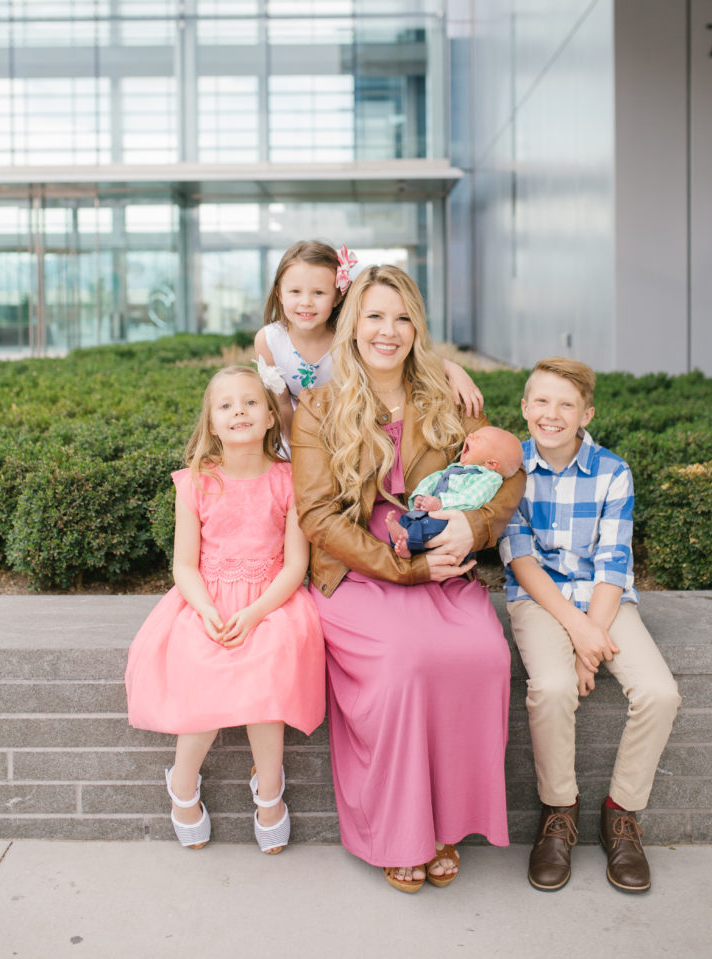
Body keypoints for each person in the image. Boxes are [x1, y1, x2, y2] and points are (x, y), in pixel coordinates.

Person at [290, 264, 526, 893]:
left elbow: (509, 472)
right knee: (402, 664)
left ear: (417, 327)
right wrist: (405, 567)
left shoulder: (446, 400)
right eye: (374, 316)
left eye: (401, 318)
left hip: (442, 567)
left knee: (483, 656)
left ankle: (446, 823)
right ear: (353, 326)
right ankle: (398, 834)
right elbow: (317, 515)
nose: (387, 331)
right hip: (362, 571)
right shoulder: (319, 407)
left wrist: (473, 532)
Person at [125, 365, 325, 854]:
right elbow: (185, 566)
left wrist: (256, 612)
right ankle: (183, 785)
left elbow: (295, 565)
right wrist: (208, 610)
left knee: (271, 666)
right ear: (211, 423)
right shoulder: (195, 484)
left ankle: (270, 792)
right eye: (226, 405)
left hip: (270, 601)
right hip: (207, 600)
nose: (239, 410)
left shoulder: (288, 482)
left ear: (271, 418)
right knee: (199, 664)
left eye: (251, 402)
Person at [500, 356, 680, 893]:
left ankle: (621, 813)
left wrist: (589, 642)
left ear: (586, 414)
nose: (551, 414)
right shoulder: (510, 470)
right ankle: (559, 811)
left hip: (606, 602)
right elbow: (521, 560)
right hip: (541, 600)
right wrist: (576, 633)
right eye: (542, 402)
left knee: (660, 692)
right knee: (552, 689)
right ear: (525, 406)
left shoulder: (611, 471)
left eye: (566, 404)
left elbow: (613, 562)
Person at [253, 240, 485, 440]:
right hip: (293, 429)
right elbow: (281, 403)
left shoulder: (348, 335)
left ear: (336, 297)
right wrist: (299, 451)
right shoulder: (269, 340)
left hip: (348, 428)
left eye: (318, 293)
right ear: (278, 293)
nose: (306, 302)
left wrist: (452, 369)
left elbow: (406, 357)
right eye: (295, 292)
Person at [386, 425, 523, 556]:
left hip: (450, 520)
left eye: (479, 439)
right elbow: (434, 479)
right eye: (474, 433)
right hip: (430, 510)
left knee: (431, 527)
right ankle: (404, 545)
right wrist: (420, 495)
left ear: (491, 464)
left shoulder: (489, 478)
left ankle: (408, 543)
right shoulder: (457, 467)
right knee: (409, 519)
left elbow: (472, 499)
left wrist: (442, 503)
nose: (471, 435)